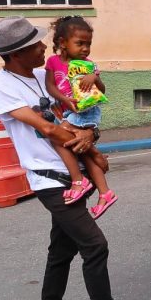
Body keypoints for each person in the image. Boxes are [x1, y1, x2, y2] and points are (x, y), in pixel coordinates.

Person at [0, 16, 146, 300]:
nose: (44, 47)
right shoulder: (0, 85)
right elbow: (48, 128)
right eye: (35, 45)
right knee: (94, 245)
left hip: (73, 172)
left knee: (62, 249)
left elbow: (82, 111)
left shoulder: (47, 76)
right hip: (49, 178)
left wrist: (91, 137)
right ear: (15, 54)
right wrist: (86, 142)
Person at [44, 16, 118, 218]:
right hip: (70, 109)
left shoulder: (88, 65)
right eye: (80, 43)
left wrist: (94, 77)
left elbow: (102, 90)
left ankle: (78, 180)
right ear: (62, 43)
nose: (85, 48)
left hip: (86, 110)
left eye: (89, 44)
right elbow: (50, 86)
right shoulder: (52, 62)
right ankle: (105, 193)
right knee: (83, 151)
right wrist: (64, 100)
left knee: (58, 138)